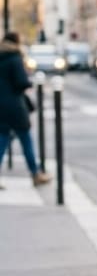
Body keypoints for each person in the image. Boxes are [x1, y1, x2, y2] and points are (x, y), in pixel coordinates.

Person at [0, 31, 53, 187]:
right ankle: (35, 173)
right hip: (15, 105)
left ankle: (36, 173)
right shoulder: (15, 58)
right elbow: (21, 82)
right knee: (25, 139)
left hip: (1, 105)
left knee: (3, 140)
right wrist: (28, 78)